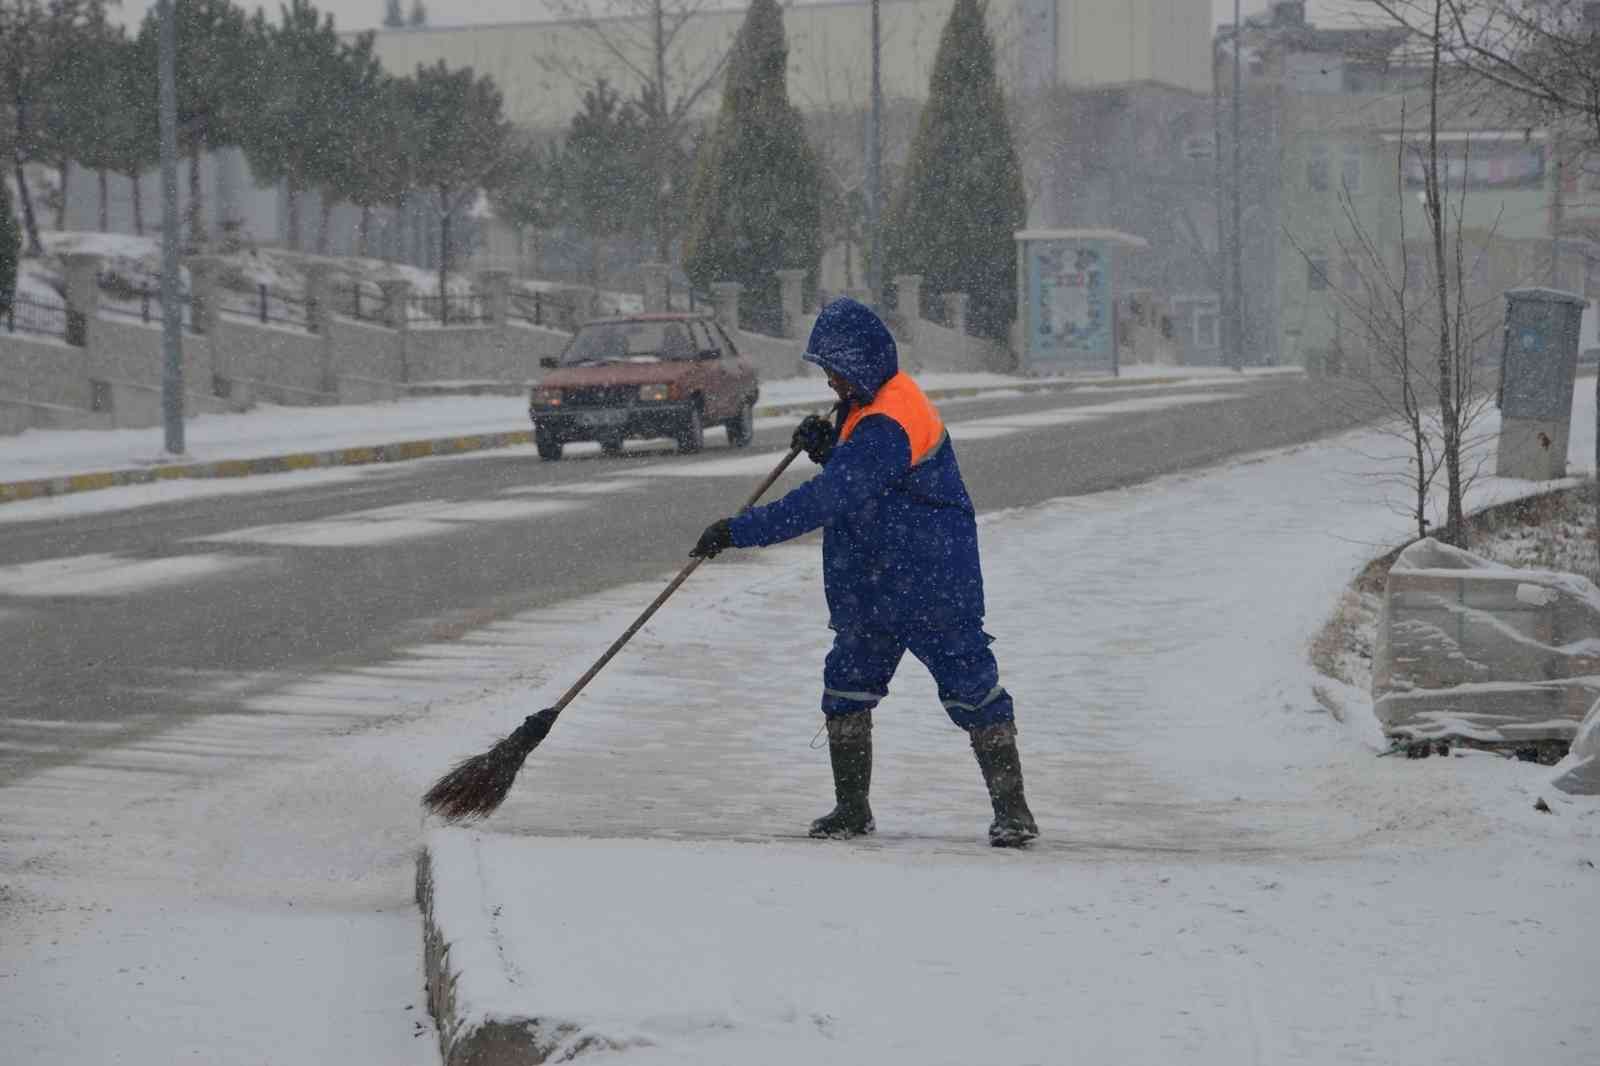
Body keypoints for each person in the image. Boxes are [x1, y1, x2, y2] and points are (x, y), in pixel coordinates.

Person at [690, 297, 1038, 847]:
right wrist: (832, 447)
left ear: (857, 364)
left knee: (971, 687)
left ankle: (1013, 811)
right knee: (846, 687)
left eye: (833, 368)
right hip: (875, 581)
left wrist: (740, 531)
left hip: (928, 581)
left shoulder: (888, 420)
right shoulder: (872, 402)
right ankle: (851, 810)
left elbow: (831, 498)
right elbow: (874, 481)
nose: (828, 380)